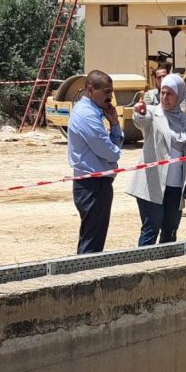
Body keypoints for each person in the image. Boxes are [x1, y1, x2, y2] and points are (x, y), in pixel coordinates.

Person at [126, 73, 186, 244]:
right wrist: (139, 113)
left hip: (176, 186)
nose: (165, 97)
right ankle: (144, 262)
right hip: (152, 184)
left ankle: (167, 261)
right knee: (151, 228)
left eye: (170, 94)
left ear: (180, 95)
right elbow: (141, 121)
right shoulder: (152, 113)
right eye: (162, 93)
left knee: (171, 230)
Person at [67, 70, 124, 254]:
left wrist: (114, 124)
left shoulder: (94, 113)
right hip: (92, 186)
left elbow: (112, 148)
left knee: (93, 241)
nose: (110, 97)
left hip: (97, 185)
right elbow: (110, 152)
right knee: (91, 246)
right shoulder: (87, 116)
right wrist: (115, 151)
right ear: (91, 90)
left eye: (111, 92)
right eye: (106, 92)